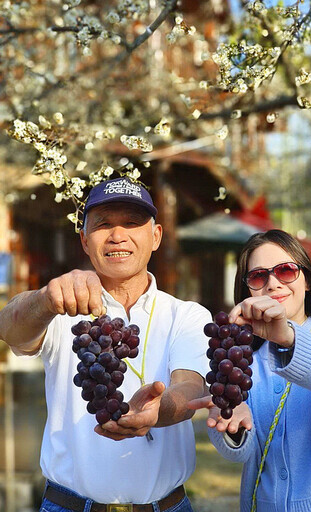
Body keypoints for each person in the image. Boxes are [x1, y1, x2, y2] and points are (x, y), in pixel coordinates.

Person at [0, 176, 212, 512]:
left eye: (131, 223)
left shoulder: (186, 315)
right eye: (104, 224)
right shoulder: (62, 307)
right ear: (84, 240)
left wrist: (159, 411)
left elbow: (190, 386)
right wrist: (45, 298)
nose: (117, 235)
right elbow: (9, 329)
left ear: (155, 237)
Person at [189, 229, 311, 512]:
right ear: (247, 291)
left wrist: (288, 336)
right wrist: (231, 422)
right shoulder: (244, 361)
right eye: (258, 276)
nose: (273, 283)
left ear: (307, 282)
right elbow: (241, 454)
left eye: (286, 270)